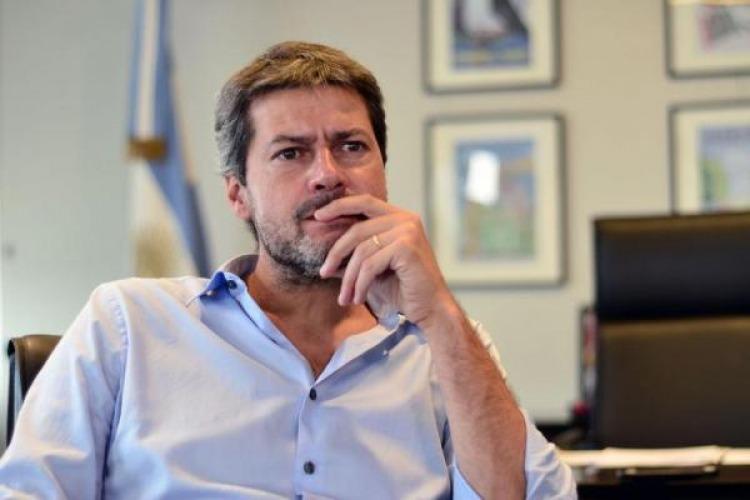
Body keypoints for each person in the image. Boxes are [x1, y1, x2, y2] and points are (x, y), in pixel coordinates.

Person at [0, 41, 575, 499]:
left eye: (351, 146)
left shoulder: (445, 348)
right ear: (238, 195)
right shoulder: (126, 324)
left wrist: (442, 315)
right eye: (290, 153)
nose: (327, 174)